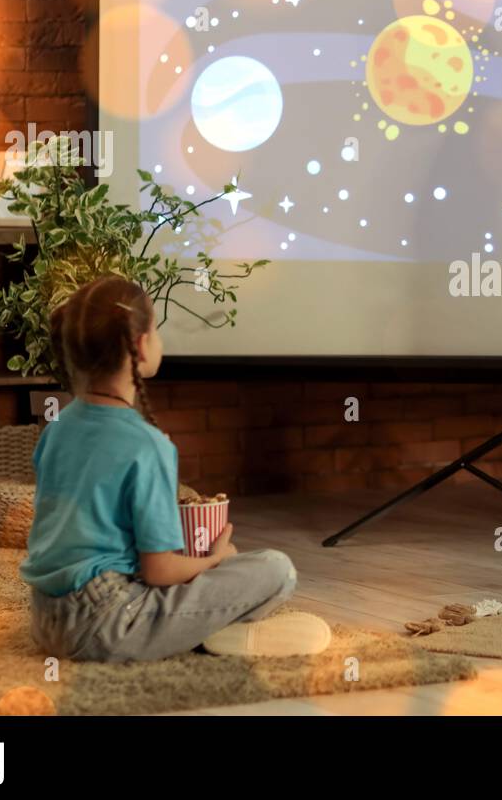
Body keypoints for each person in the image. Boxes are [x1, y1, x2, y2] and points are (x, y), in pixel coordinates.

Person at [20, 274, 331, 661]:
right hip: (106, 624)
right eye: (158, 331)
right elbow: (158, 572)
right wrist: (217, 560)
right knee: (276, 568)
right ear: (140, 345)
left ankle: (193, 632)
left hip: (45, 619)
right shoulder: (147, 444)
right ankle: (216, 636)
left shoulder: (58, 428)